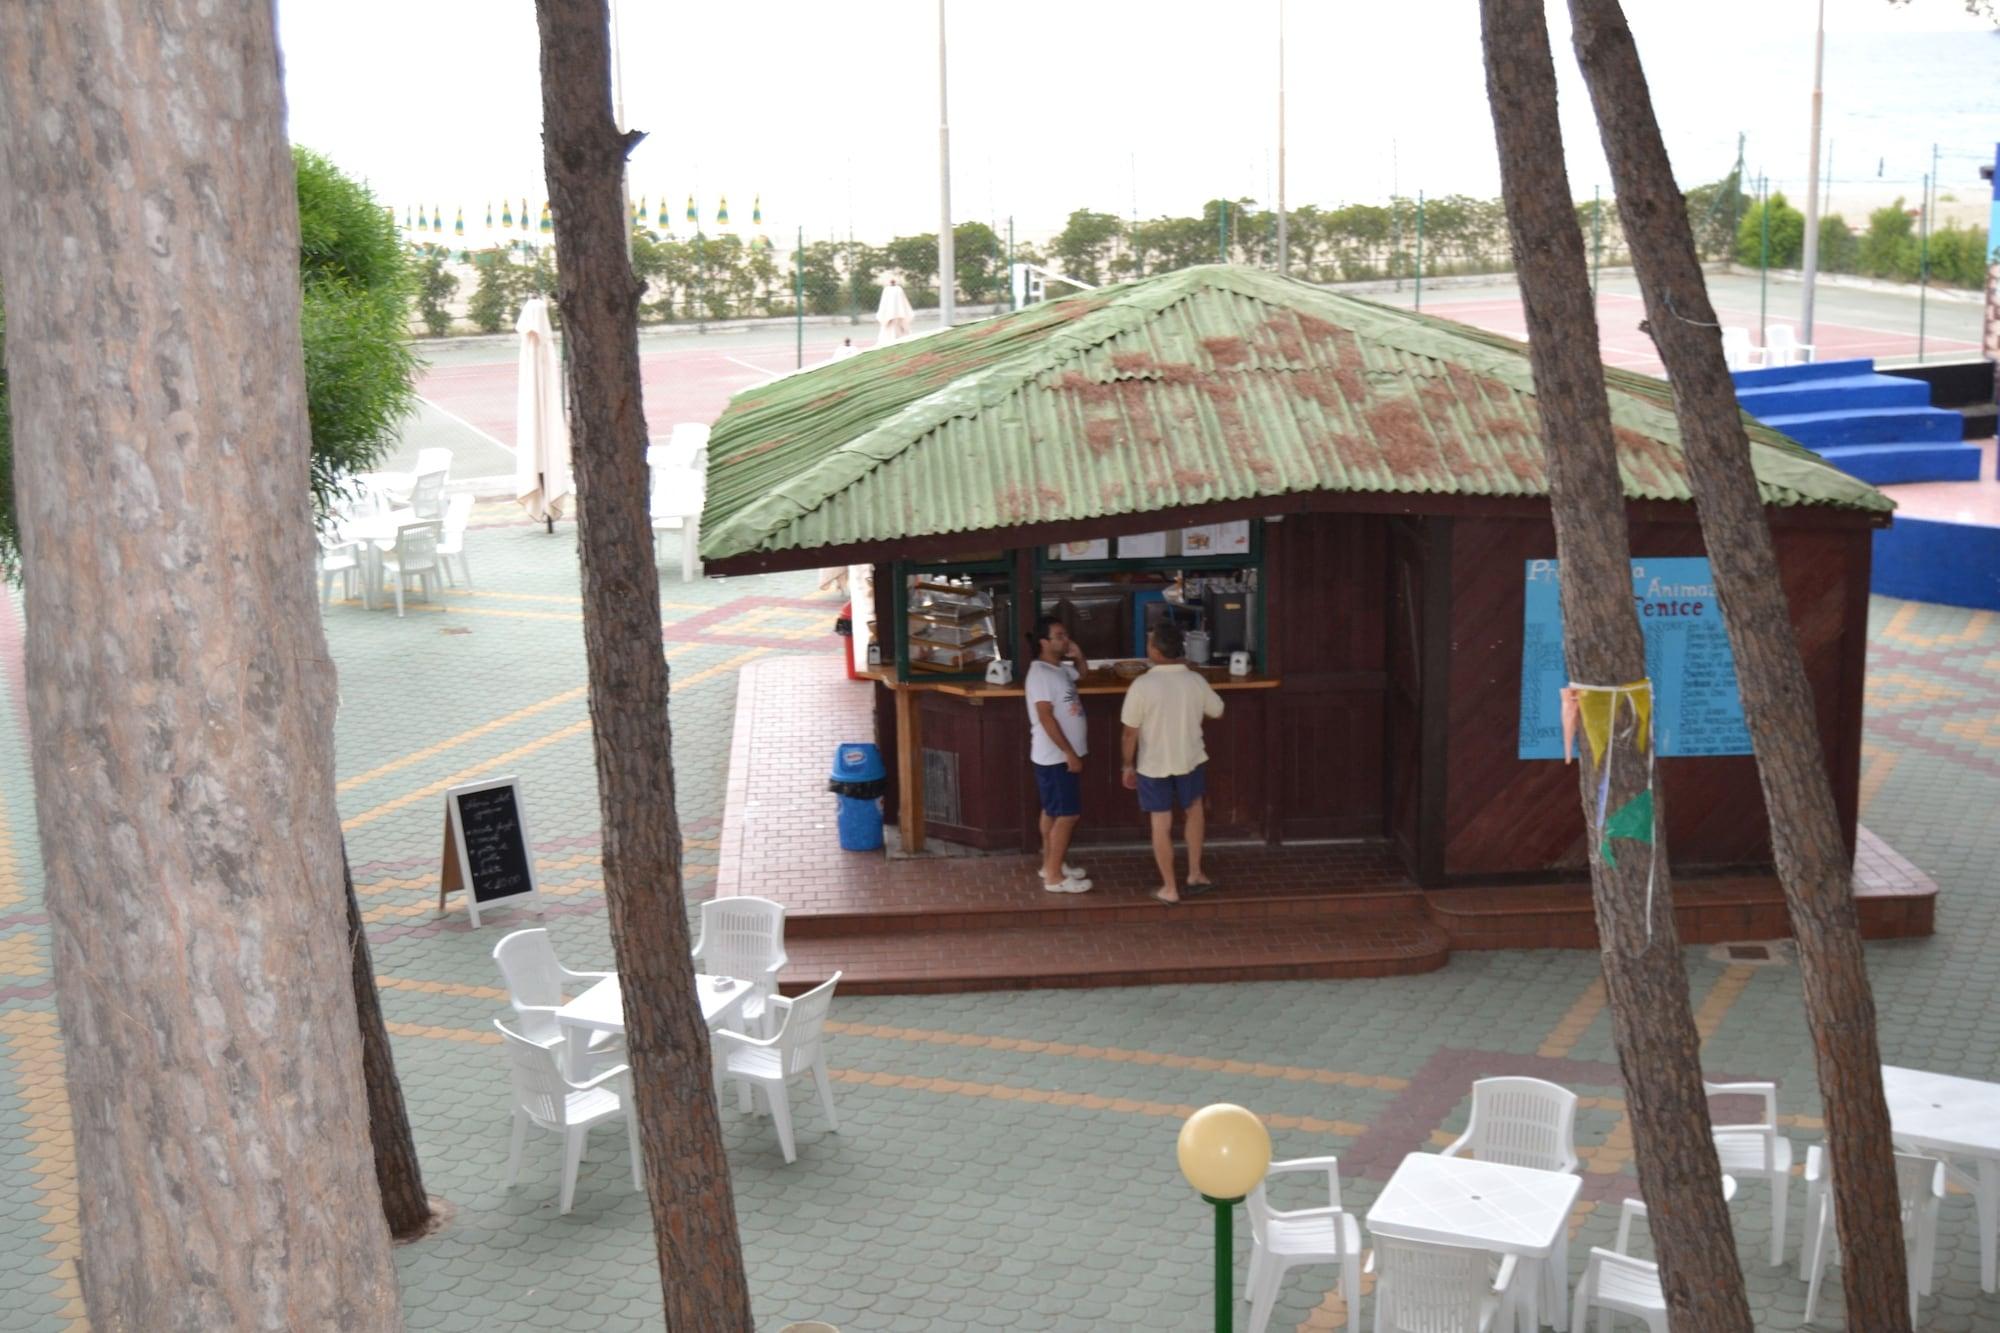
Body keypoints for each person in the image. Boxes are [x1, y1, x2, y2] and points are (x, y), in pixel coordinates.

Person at [1120, 620, 1224, 904]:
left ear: (1154, 650)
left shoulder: (1142, 685)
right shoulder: (1195, 680)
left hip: (1153, 764)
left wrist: (1127, 765)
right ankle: (1194, 873)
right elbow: (1217, 710)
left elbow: (1130, 732)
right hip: (1190, 758)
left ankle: (1170, 888)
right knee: (1194, 811)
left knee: (1160, 823)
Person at [1025, 614, 1092, 893]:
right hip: (1056, 757)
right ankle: (1054, 877)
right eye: (1060, 636)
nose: (1066, 639)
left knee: (1052, 811)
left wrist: (1078, 656)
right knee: (1067, 815)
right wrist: (1069, 752)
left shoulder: (1058, 669)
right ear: (1044, 642)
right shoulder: (1040, 674)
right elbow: (1046, 717)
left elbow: (1084, 674)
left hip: (1059, 756)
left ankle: (1051, 863)